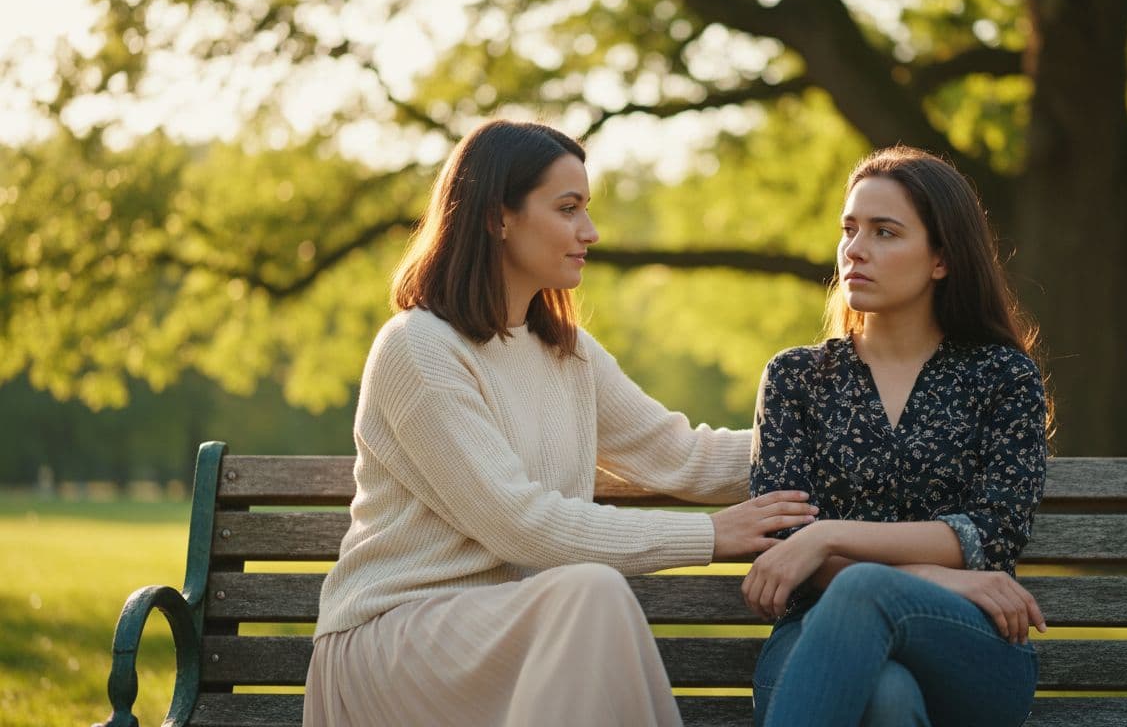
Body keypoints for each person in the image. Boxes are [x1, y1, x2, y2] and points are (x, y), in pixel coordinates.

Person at [303, 120, 817, 727]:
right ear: (499, 217)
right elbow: (518, 525)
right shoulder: (419, 348)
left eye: (586, 210)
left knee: (587, 599)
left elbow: (681, 455)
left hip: (526, 632)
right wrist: (708, 536)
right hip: (399, 641)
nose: (590, 232)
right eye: (568, 208)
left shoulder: (565, 350)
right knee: (590, 593)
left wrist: (839, 438)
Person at [746, 145, 1050, 727]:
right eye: (849, 229)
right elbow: (788, 548)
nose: (854, 250)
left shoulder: (1002, 376)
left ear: (941, 259)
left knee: (863, 590)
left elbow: (993, 534)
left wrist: (830, 537)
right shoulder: (796, 378)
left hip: (968, 645)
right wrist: (925, 572)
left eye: (884, 233)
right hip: (813, 640)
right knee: (885, 696)